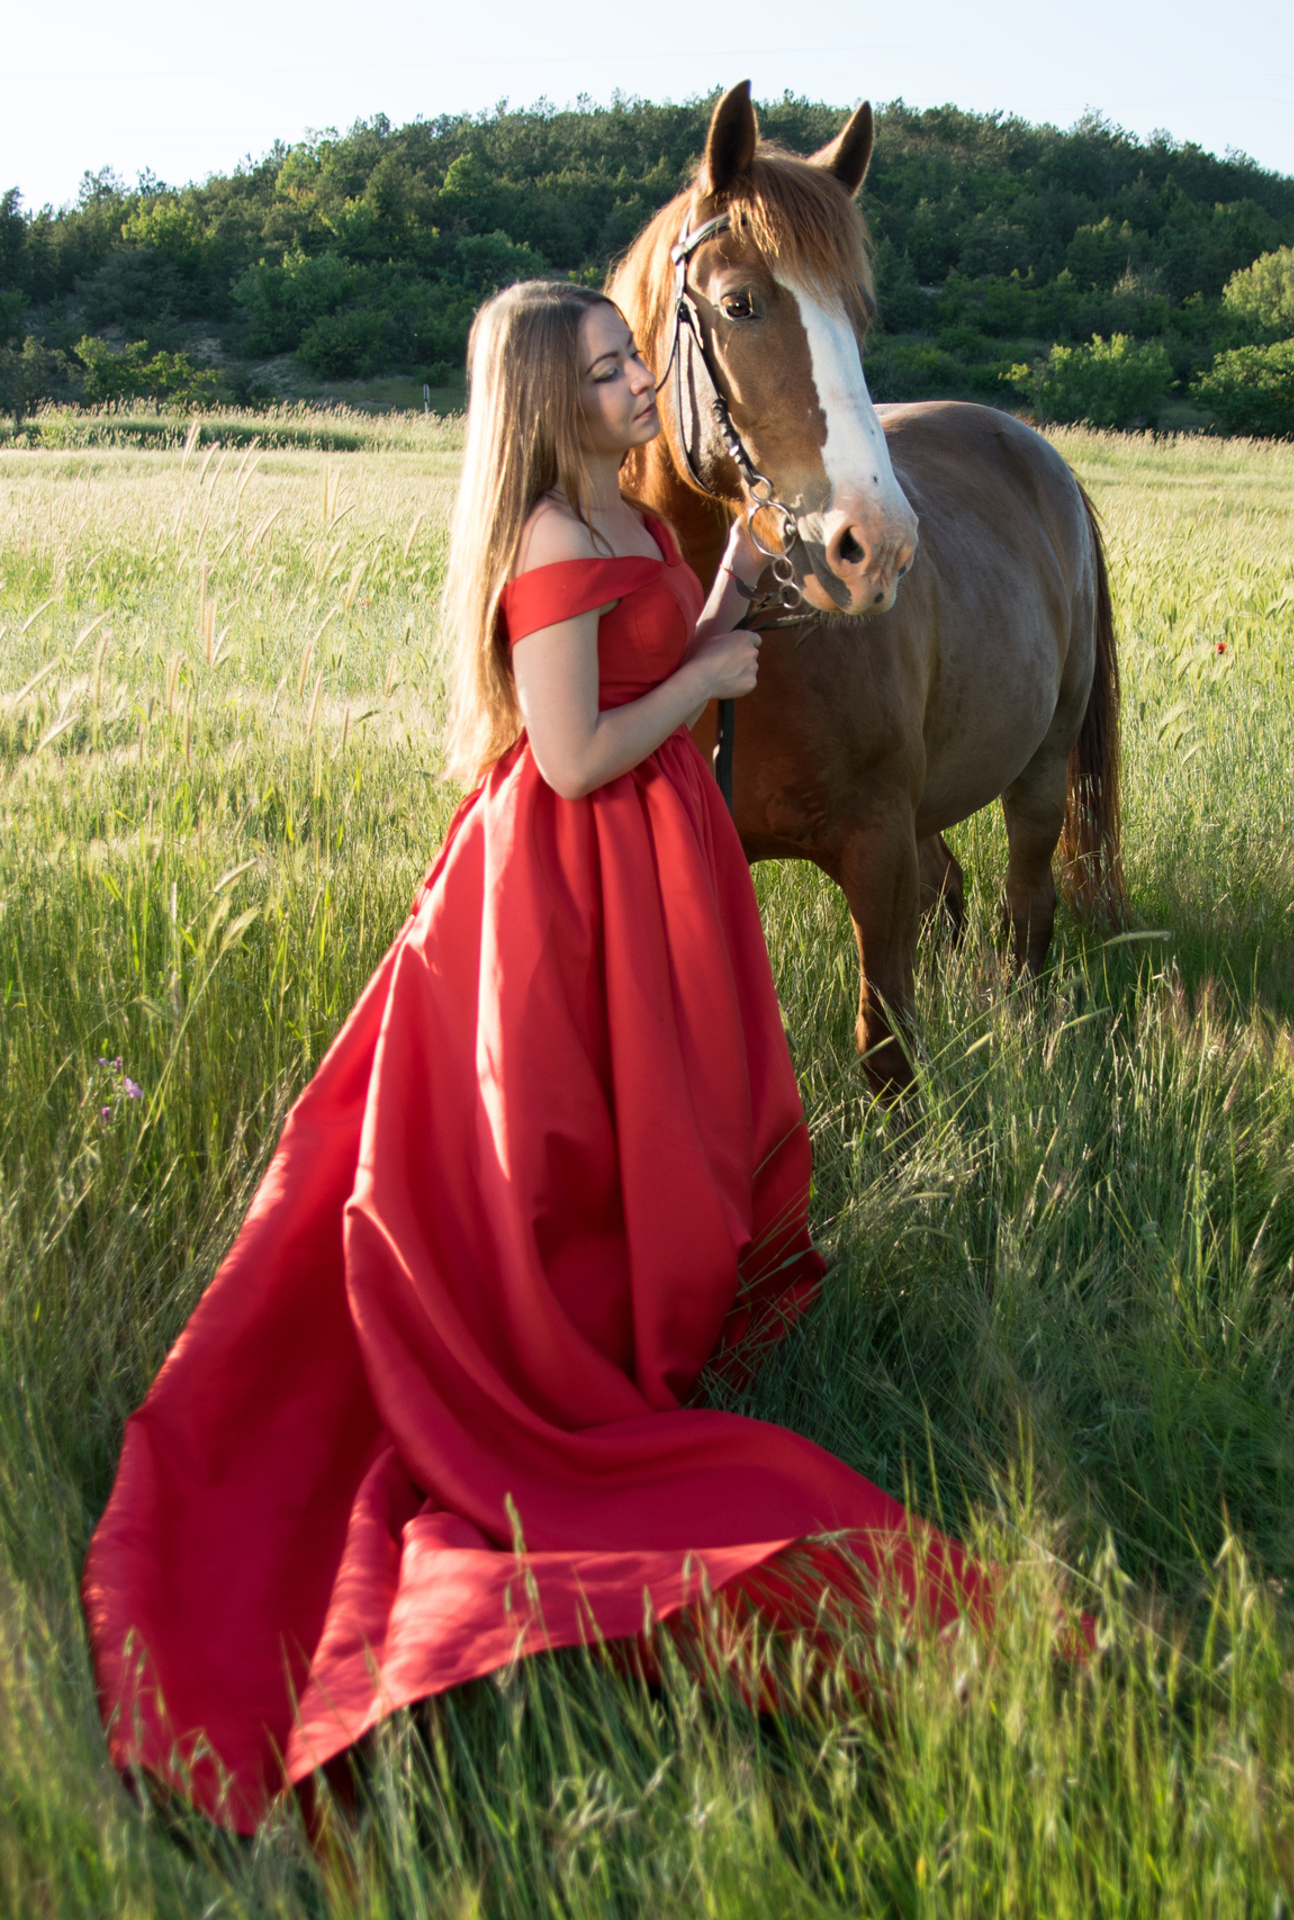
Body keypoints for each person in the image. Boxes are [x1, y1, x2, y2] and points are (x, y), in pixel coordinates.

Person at [83, 279, 970, 1833]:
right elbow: (568, 754)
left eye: (639, 363)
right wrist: (698, 683)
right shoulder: (551, 550)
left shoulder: (625, 519)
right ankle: (552, 1353)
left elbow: (666, 665)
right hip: (564, 885)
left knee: (663, 1114)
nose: (641, 382)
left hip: (651, 857)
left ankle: (644, 1311)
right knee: (561, 1131)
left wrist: (735, 601)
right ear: (547, 404)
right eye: (615, 370)